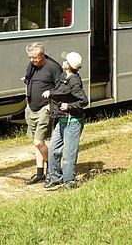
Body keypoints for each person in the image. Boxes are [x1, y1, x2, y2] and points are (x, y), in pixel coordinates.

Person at [43, 52, 89, 191]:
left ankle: (69, 182)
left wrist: (69, 106)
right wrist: (50, 101)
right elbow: (60, 91)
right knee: (53, 150)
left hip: (73, 122)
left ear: (69, 65)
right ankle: (55, 177)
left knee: (68, 155)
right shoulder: (64, 76)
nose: (63, 61)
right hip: (62, 120)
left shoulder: (74, 80)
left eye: (65, 60)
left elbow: (84, 101)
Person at [22, 42, 62, 185]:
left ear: (42, 54)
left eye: (35, 57)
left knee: (39, 141)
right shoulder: (31, 65)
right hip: (31, 108)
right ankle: (40, 173)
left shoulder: (53, 67)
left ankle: (53, 168)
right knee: (36, 143)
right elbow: (27, 82)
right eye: (30, 57)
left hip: (44, 108)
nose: (32, 60)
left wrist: (51, 101)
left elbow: (61, 88)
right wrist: (27, 101)